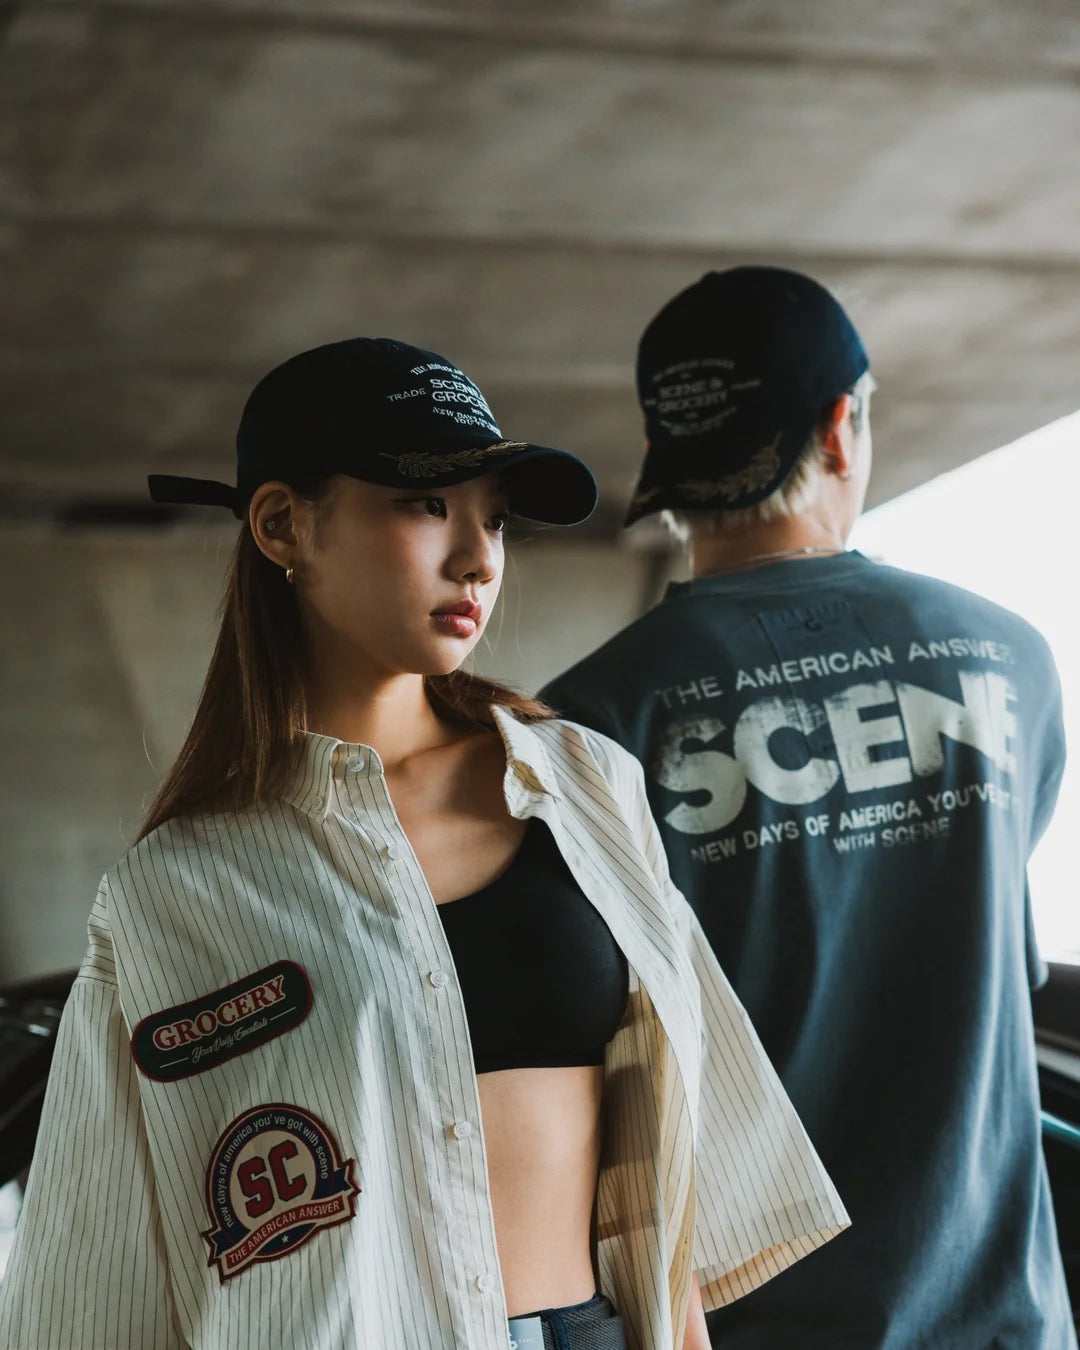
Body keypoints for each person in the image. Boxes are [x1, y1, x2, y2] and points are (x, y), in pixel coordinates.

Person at [0, 337, 848, 1350]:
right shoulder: (175, 889)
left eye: (494, 517)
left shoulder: (581, 786)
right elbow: (92, 1285)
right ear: (282, 525)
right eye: (426, 505)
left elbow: (687, 1174)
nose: (479, 555)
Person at [541, 268, 1075, 1350]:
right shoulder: (1005, 659)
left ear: (663, 462)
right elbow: (996, 979)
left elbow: (582, 1088)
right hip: (1005, 1325)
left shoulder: (585, 724)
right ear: (841, 428)